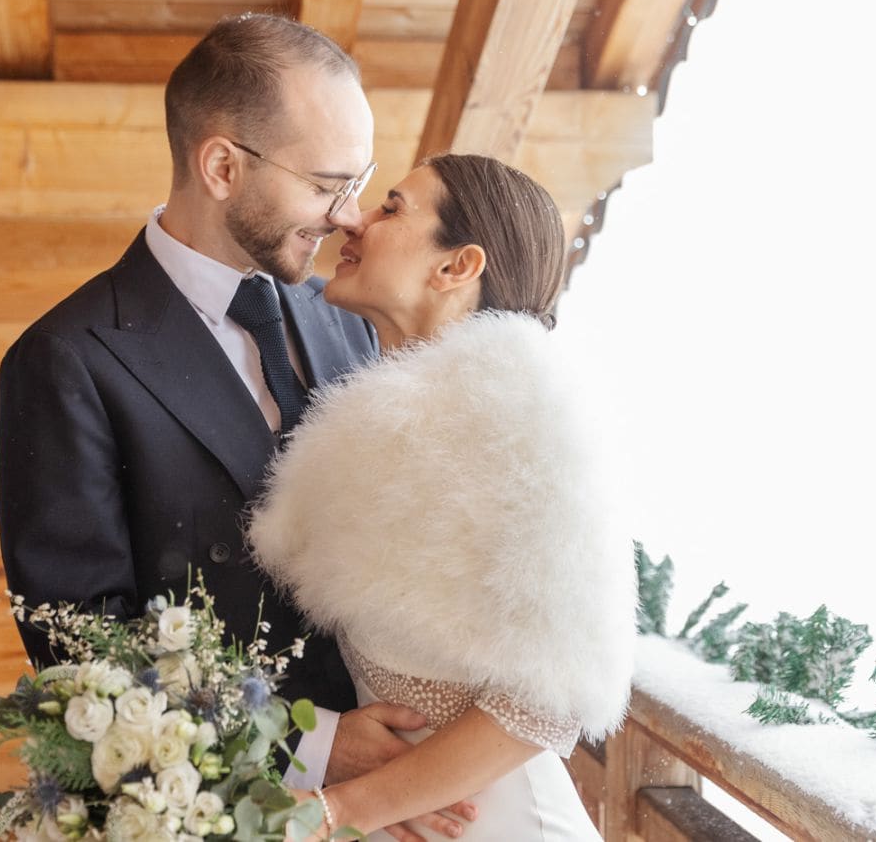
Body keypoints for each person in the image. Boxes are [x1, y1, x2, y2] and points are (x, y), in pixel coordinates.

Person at [0, 14, 470, 841]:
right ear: (221, 166)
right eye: (326, 184)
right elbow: (82, 652)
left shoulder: (348, 316)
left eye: (360, 182)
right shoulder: (66, 358)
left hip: (418, 791)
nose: (350, 217)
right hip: (223, 813)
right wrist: (312, 745)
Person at [249, 154, 638, 841]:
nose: (354, 219)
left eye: (392, 207)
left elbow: (551, 700)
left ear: (457, 266)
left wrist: (342, 810)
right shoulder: (373, 421)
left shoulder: (533, 419)